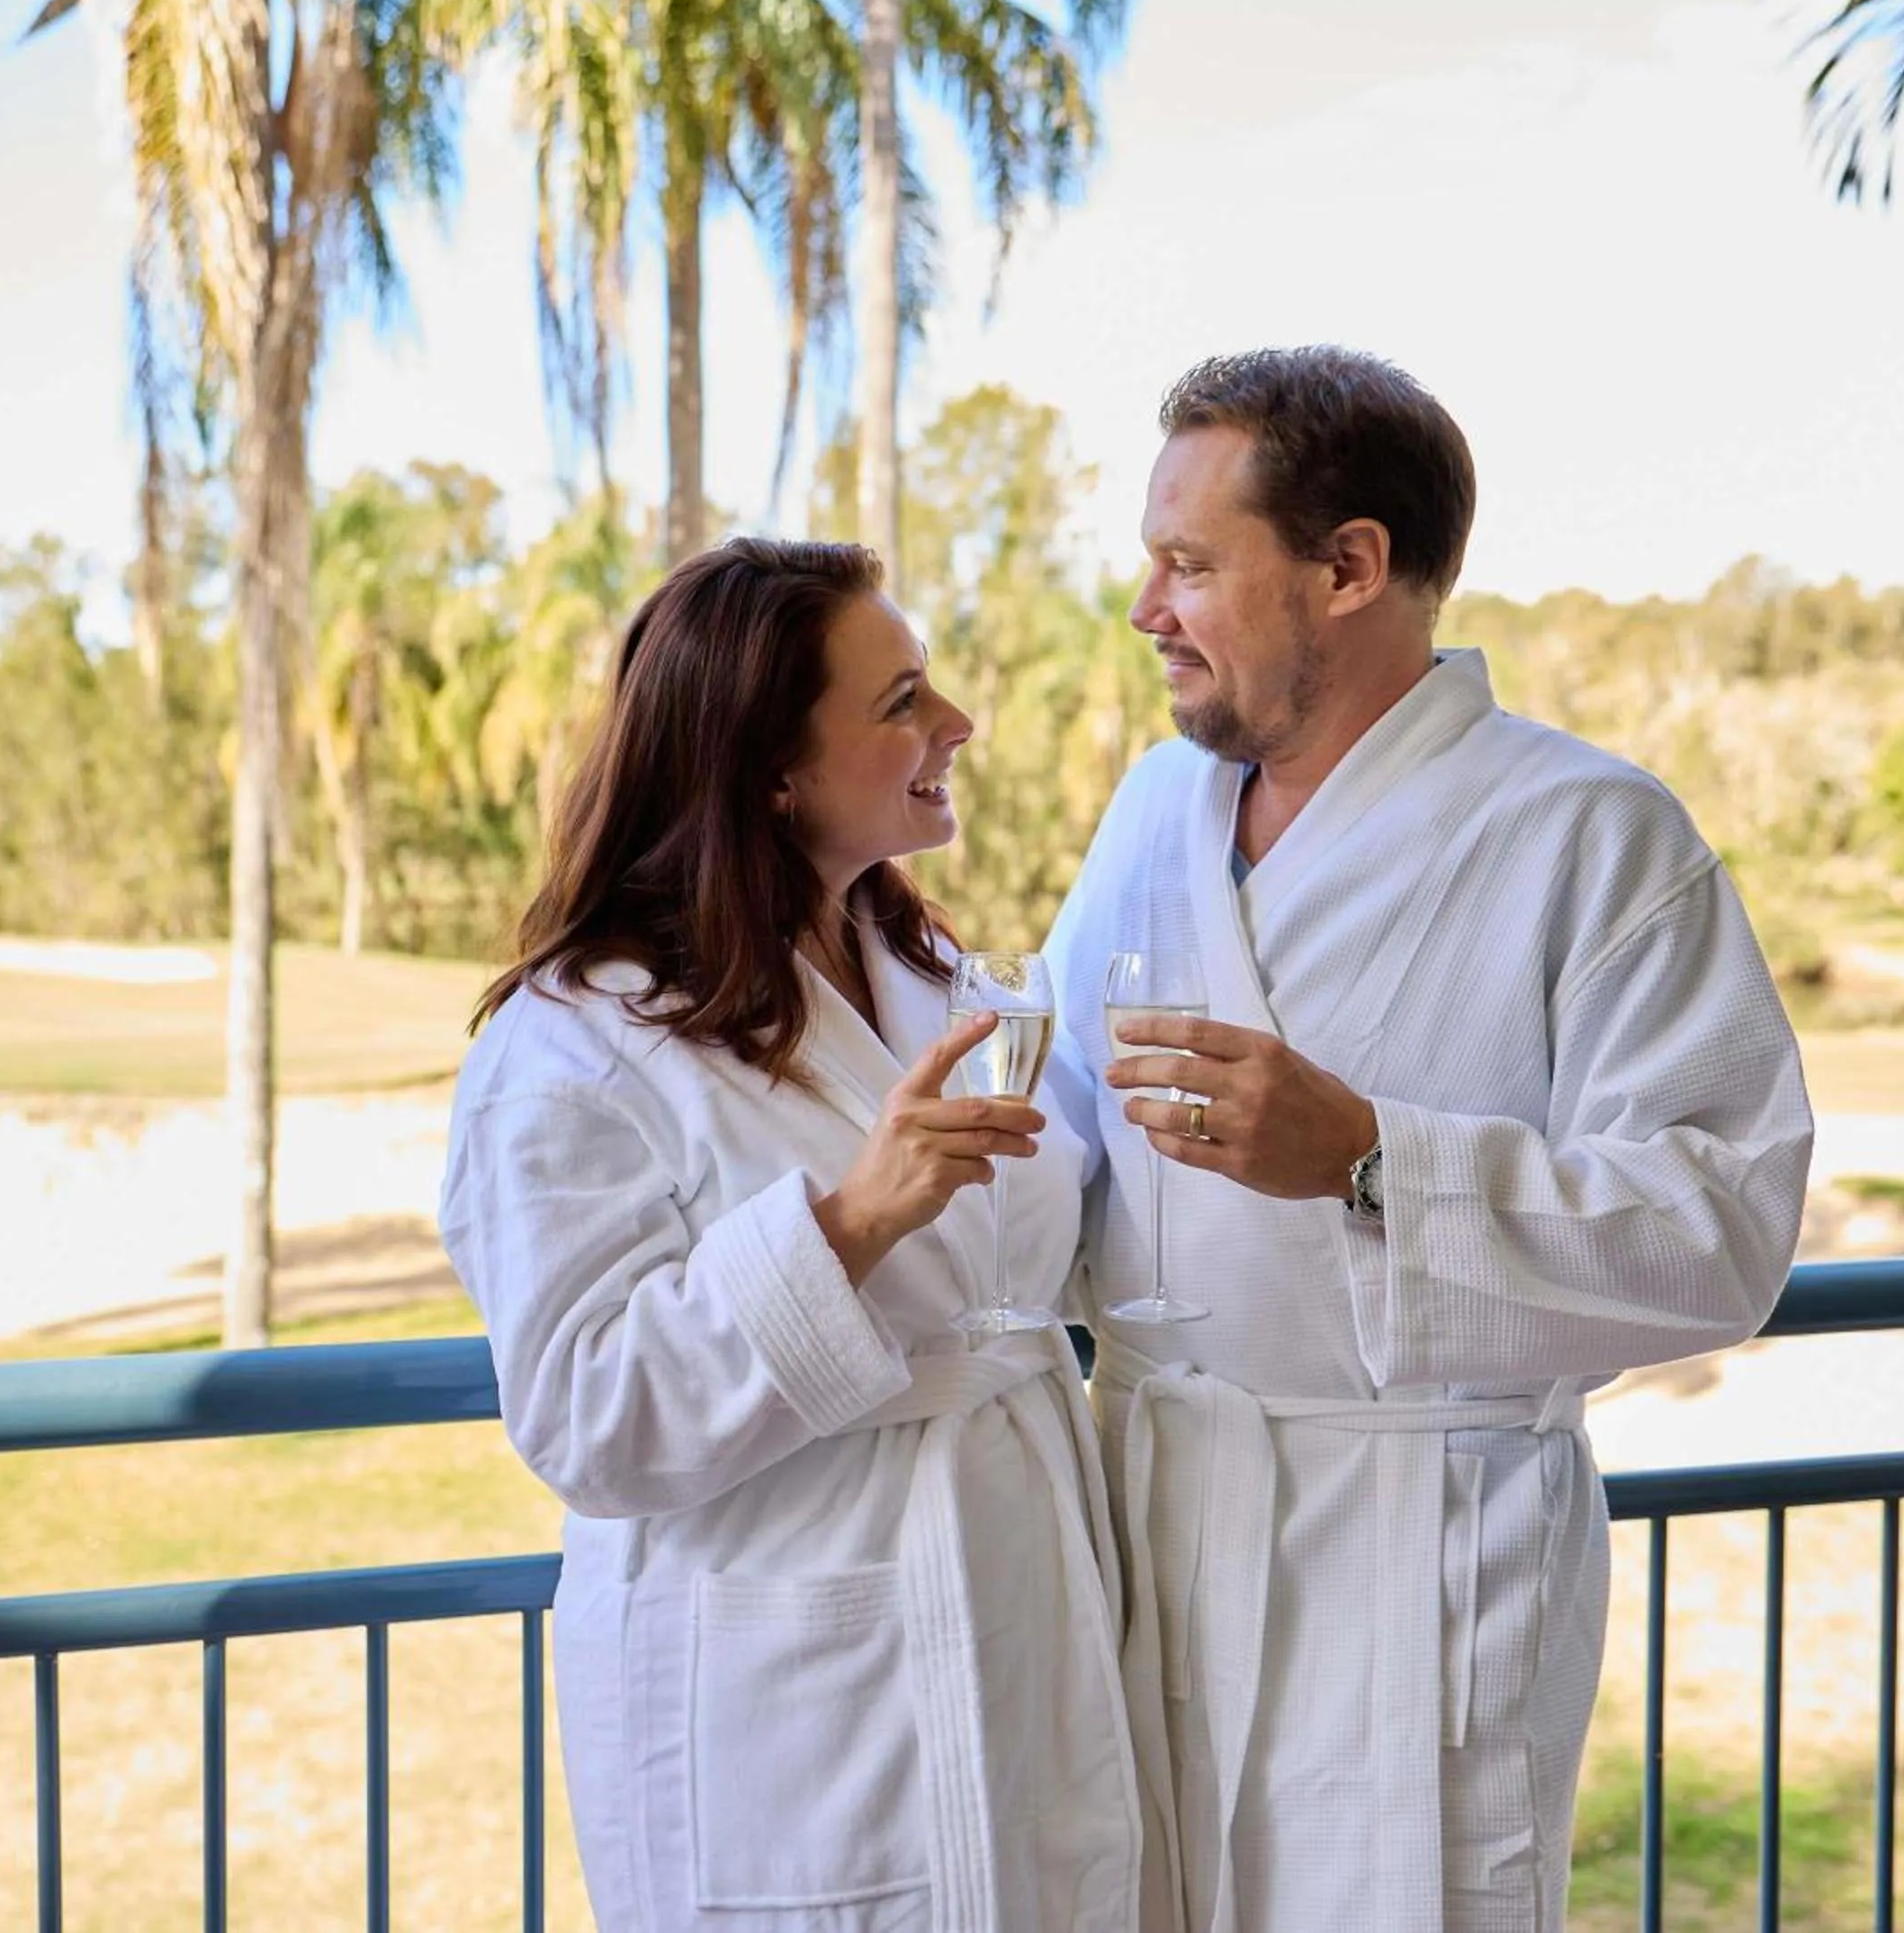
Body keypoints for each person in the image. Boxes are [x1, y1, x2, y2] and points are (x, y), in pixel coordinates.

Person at [1039, 348, 1815, 1933]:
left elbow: (1724, 1225)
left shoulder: (1591, 835)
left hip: (1416, 1569)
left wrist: (1373, 1156)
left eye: (1190, 564)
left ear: (1351, 567)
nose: (1147, 609)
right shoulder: (1146, 820)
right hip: (1153, 1530)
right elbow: (1057, 1144)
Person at [441, 537, 1144, 1933]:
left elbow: (1029, 1253)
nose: (956, 724)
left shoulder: (937, 979)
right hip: (790, 1684)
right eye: (902, 701)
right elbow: (587, 1416)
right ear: (769, 767)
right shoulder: (572, 1043)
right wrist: (850, 1222)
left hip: (1019, 1611)